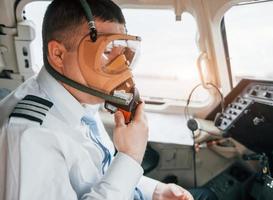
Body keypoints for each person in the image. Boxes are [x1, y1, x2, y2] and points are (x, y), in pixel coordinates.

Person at [0, 0, 195, 199]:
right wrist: (130, 156)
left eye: (124, 53)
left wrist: (154, 191)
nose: (122, 67)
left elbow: (100, 171)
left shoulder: (81, 97)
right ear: (58, 54)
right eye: (107, 51)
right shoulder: (30, 134)